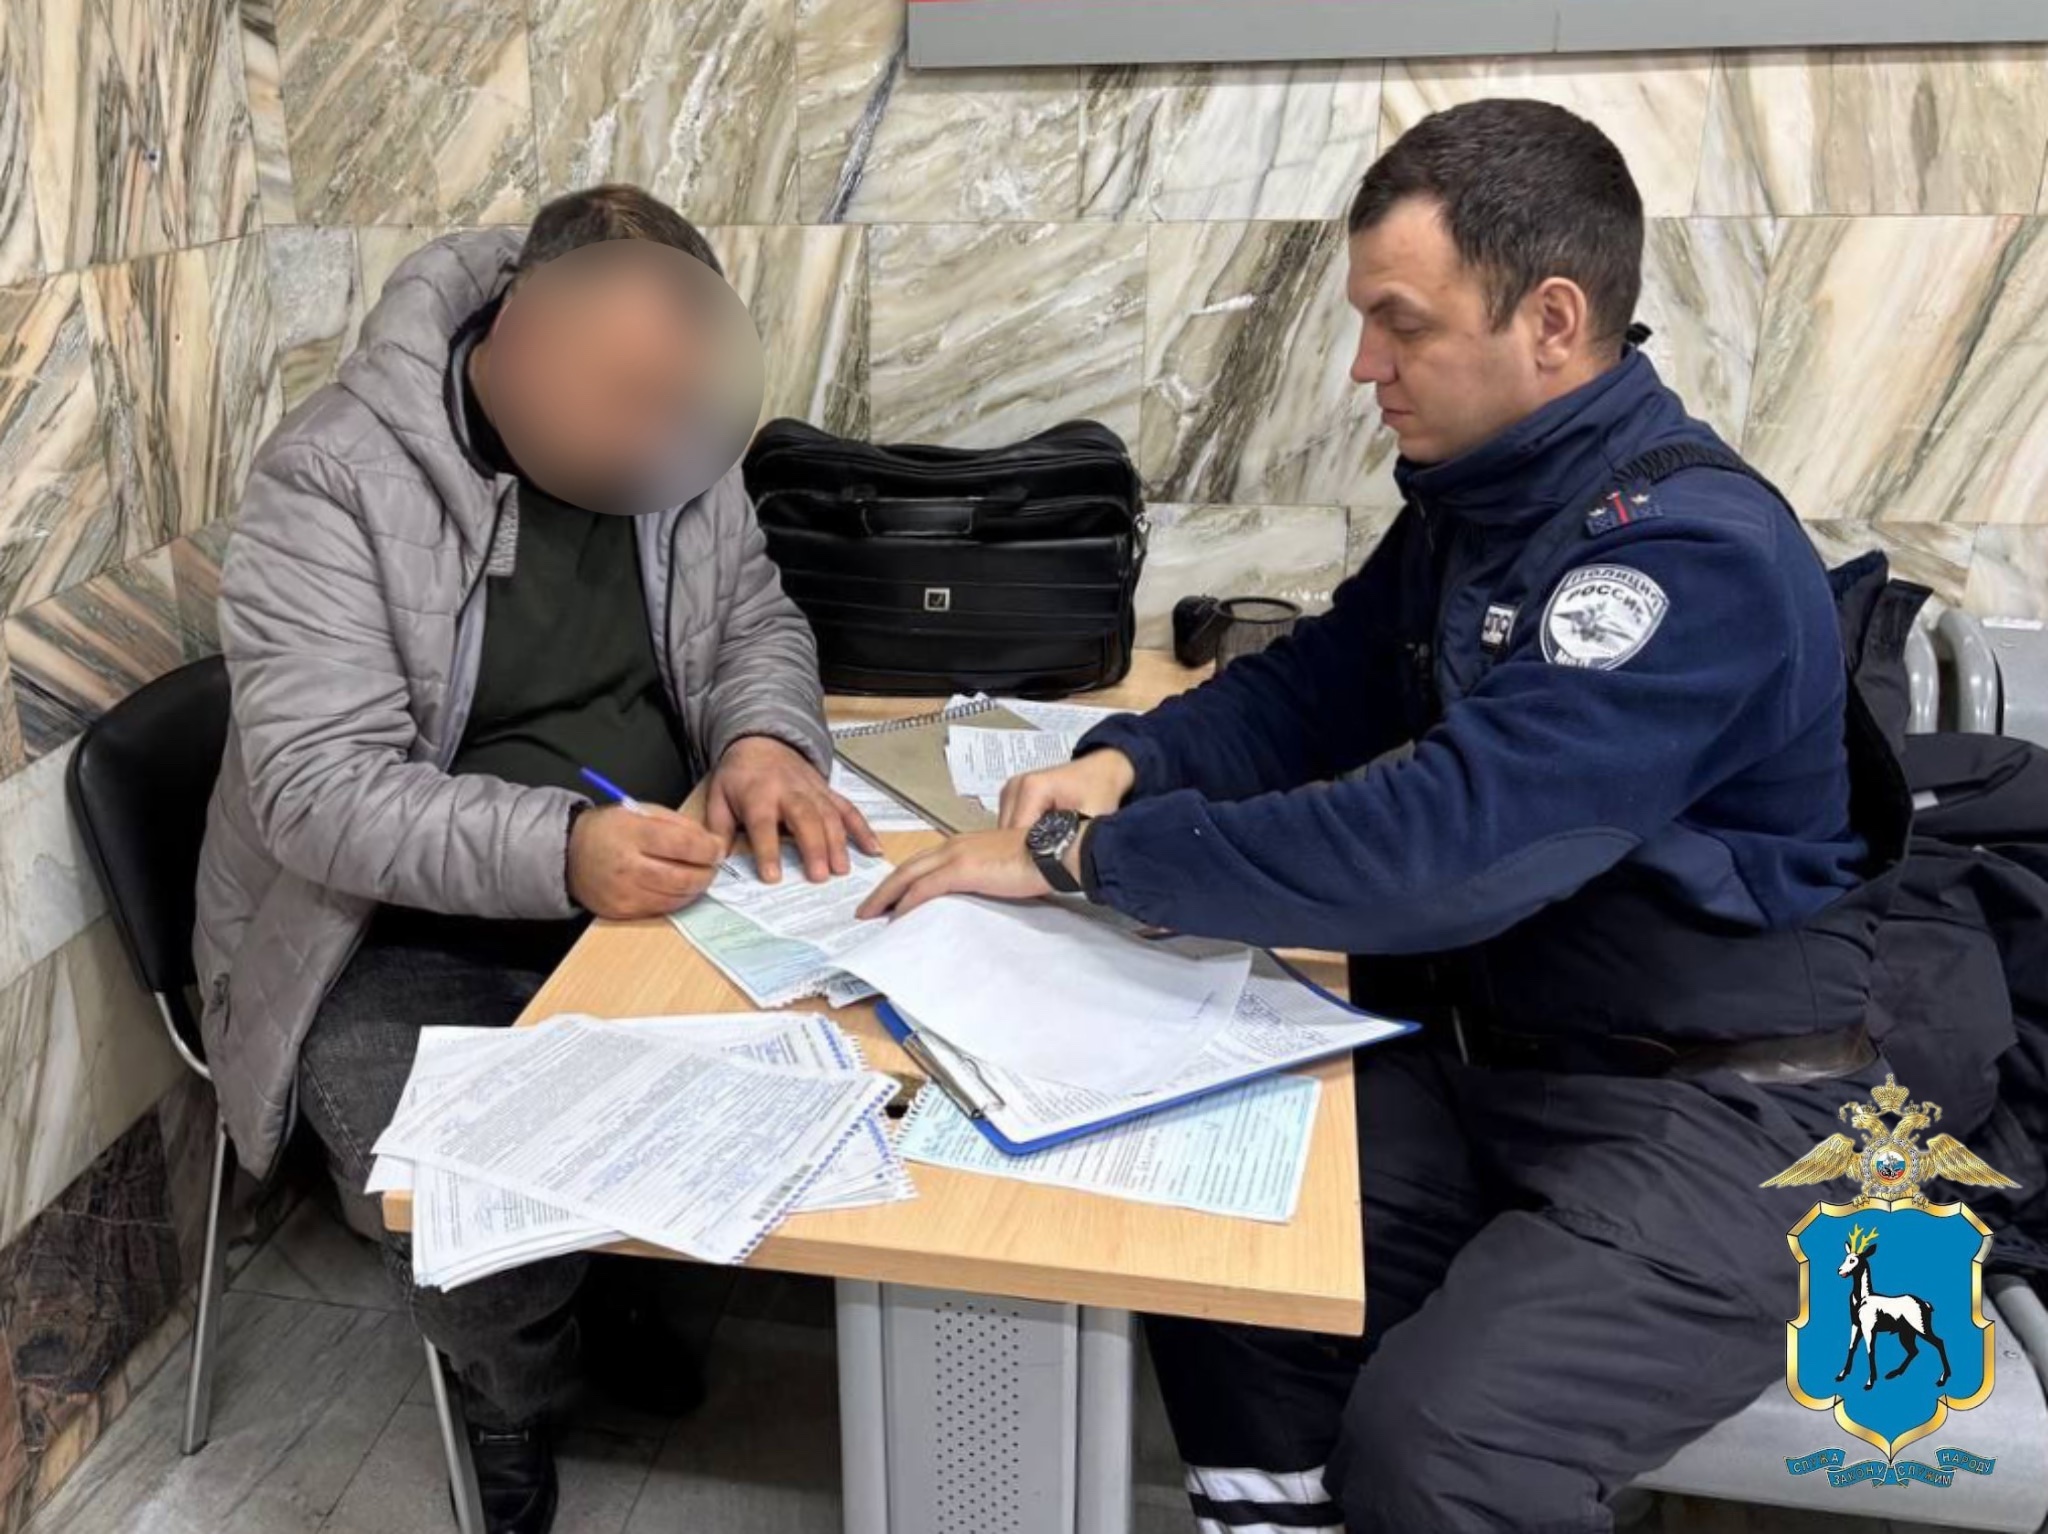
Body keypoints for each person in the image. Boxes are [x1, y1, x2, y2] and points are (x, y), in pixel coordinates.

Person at [858, 100, 1910, 1533]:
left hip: (1717, 1107)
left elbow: (1442, 848)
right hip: (1497, 1052)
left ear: (1551, 320)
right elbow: (1315, 686)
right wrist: (1125, 764)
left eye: (1400, 324)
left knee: (1442, 1452)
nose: (1365, 367)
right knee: (1207, 1219)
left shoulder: (1684, 560)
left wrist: (1085, 859)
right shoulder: (1485, 506)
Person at [194, 185, 875, 1534]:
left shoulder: (680, 445)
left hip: (654, 871)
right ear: (508, 336)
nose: (643, 439)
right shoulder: (331, 479)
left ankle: (609, 1275)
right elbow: (318, 795)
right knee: (464, 1185)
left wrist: (763, 741)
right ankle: (517, 1380)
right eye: (612, 399)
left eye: (667, 403)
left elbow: (755, 620)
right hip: (380, 923)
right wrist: (565, 851)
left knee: (836, 1071)